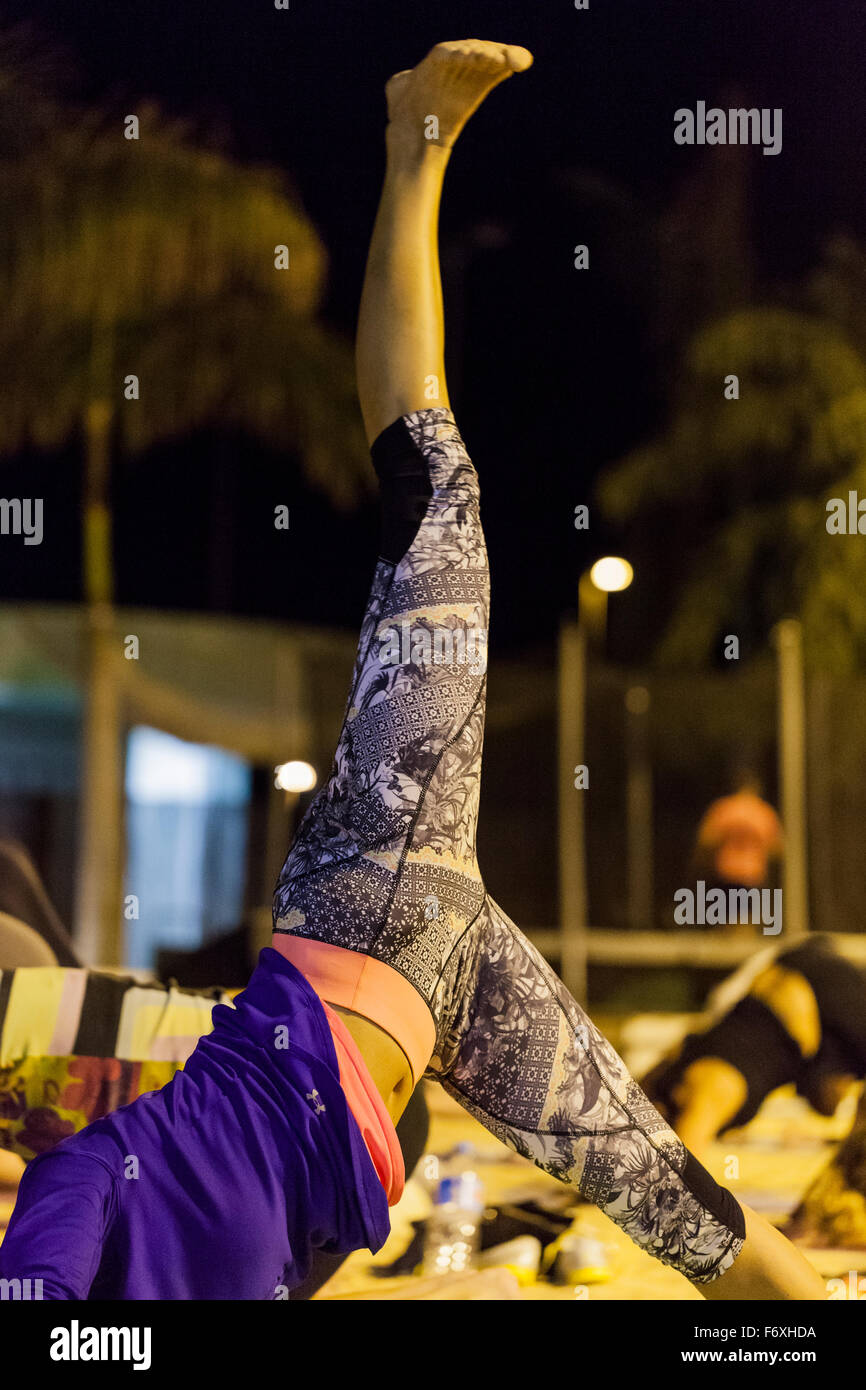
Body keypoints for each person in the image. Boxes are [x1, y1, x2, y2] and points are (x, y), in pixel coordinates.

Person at [0, 39, 824, 1300]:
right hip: (446, 1002)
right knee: (681, 1212)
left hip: (369, 895)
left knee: (435, 490)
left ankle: (413, 145)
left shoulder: (80, 1189)